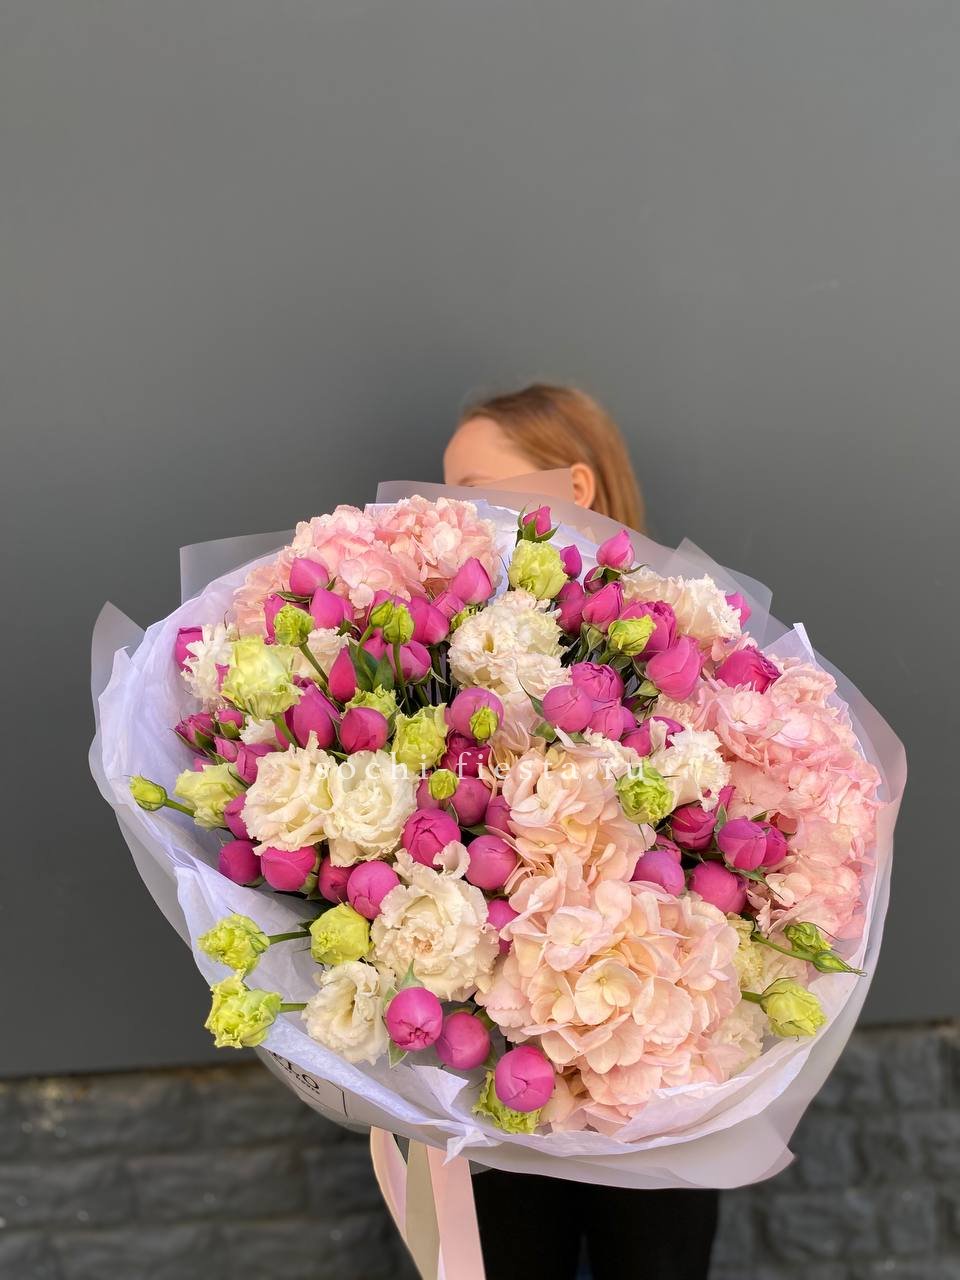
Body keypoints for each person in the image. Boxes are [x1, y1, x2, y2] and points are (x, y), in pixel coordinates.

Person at [443, 383, 719, 1280]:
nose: (451, 514)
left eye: (472, 489)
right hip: (501, 1066)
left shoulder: (688, 650)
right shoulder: (457, 659)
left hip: (652, 1068)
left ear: (575, 487)